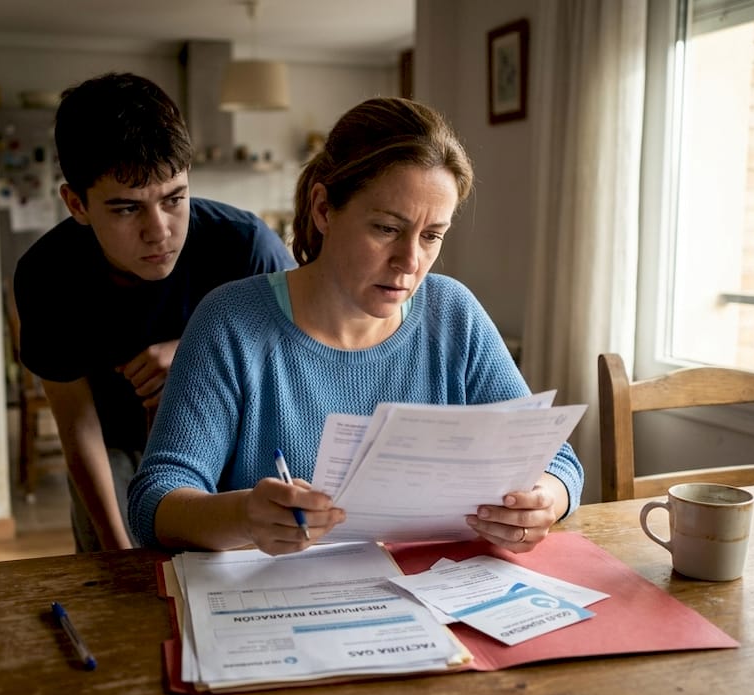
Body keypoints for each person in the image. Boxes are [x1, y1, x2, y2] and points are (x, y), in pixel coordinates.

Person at [128, 96, 584, 555]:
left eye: (431, 236)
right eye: (387, 229)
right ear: (323, 209)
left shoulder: (454, 314)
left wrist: (543, 501)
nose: (410, 261)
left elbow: (557, 462)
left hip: (434, 588)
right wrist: (243, 516)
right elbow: (154, 501)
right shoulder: (230, 322)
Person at [13, 72, 295, 552]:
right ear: (77, 204)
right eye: (127, 208)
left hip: (231, 441)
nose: (159, 230)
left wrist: (194, 354)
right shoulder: (47, 274)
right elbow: (78, 426)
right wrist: (115, 547)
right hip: (114, 447)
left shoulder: (246, 246)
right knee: (114, 580)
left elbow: (299, 359)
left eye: (174, 199)